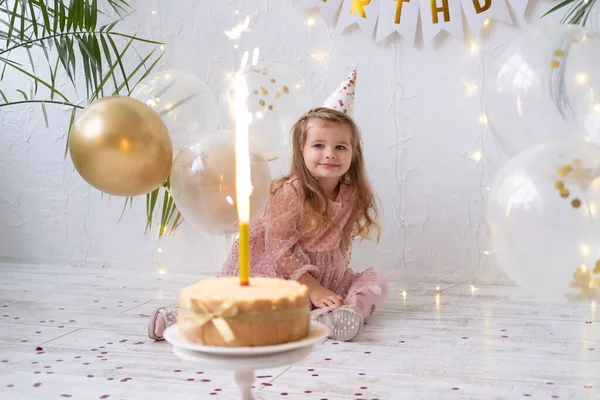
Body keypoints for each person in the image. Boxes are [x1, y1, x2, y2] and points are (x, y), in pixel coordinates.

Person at [149, 107, 388, 342]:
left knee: (376, 282)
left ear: (353, 153)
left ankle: (343, 314)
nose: (330, 154)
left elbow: (343, 243)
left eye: (340, 147)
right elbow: (280, 248)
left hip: (326, 276)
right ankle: (185, 318)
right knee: (257, 307)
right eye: (318, 145)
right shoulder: (292, 192)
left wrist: (332, 282)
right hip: (284, 273)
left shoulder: (351, 194)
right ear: (301, 150)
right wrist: (313, 289)